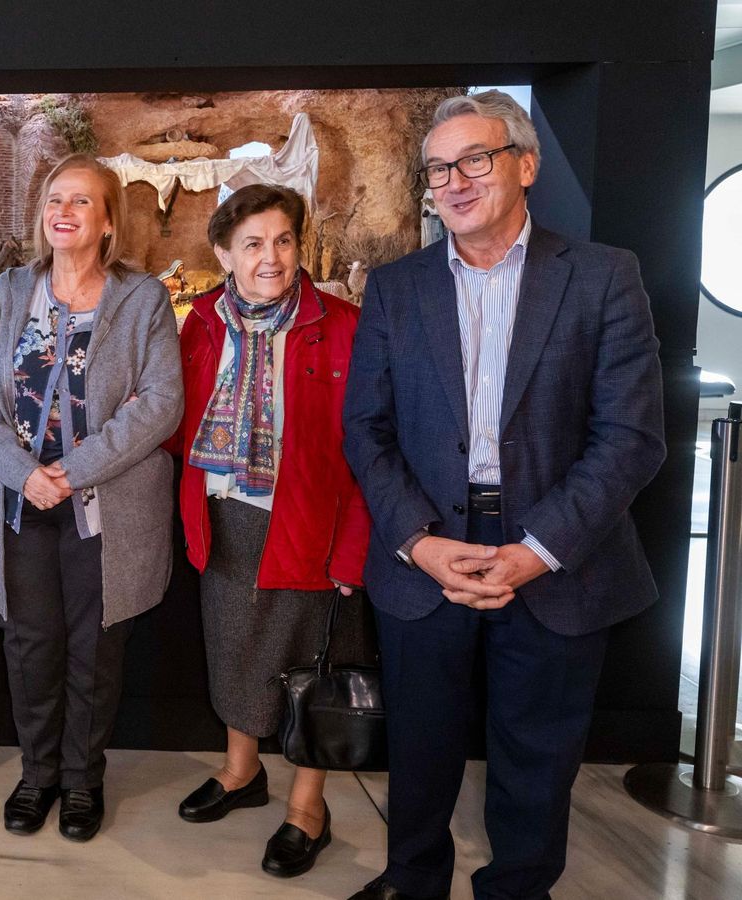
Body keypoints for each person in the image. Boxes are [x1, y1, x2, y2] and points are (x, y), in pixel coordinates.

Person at [342, 91, 665, 899]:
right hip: (428, 551)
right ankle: (413, 881)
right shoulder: (395, 287)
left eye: (475, 159)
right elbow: (366, 432)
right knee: (419, 747)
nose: (454, 181)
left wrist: (537, 551)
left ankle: (519, 889)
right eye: (439, 167)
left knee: (536, 754)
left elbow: (630, 438)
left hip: (558, 555)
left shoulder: (602, 277)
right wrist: (416, 539)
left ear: (525, 164)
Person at [0, 154, 184, 842]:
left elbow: (161, 405)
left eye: (82, 201)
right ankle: (38, 773)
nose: (64, 211)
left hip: (104, 507)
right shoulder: (9, 292)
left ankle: (83, 779)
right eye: (56, 199)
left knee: (95, 649)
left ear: (108, 220)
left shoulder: (141, 299)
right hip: (19, 503)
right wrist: (20, 470)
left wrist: (72, 469)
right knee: (29, 647)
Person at [165, 183, 372, 878]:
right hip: (223, 520)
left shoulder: (343, 324)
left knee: (308, 671)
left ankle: (307, 808)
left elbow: (372, 450)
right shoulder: (201, 323)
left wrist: (354, 552)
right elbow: (174, 421)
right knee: (233, 655)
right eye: (252, 243)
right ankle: (240, 772)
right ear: (223, 253)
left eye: (283, 240)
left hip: (311, 528)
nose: (271, 257)